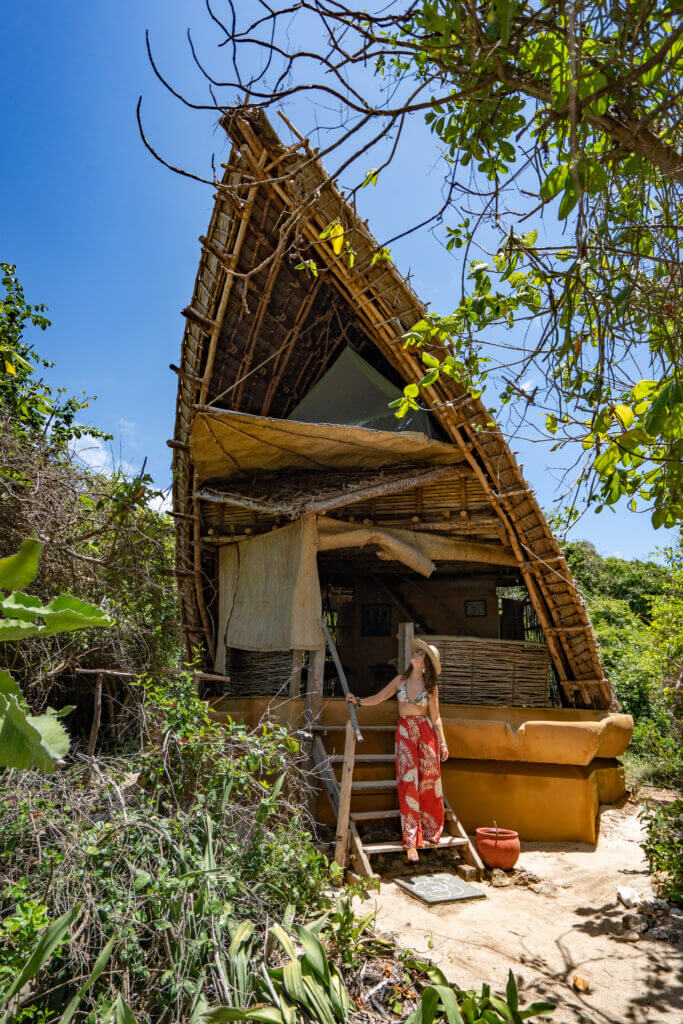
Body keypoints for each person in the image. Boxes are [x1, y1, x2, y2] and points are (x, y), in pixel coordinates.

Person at [346, 639, 448, 863]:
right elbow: (380, 697)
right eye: (417, 652)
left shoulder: (431, 687)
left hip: (426, 733)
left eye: (420, 654)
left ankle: (431, 832)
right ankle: (411, 841)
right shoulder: (400, 680)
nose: (415, 654)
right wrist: (359, 701)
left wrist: (442, 742)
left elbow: (436, 717)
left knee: (430, 783)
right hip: (405, 734)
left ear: (426, 663)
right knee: (407, 782)